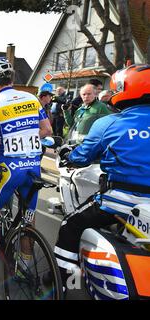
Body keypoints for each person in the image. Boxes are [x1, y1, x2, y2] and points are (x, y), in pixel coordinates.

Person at [54, 64, 150, 295]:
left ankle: (66, 283)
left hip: (120, 200)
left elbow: (81, 156)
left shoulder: (109, 123)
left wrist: (67, 154)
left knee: (69, 226)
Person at [0, 56, 52, 274]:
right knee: (29, 219)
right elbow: (47, 130)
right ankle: (25, 267)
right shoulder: (32, 98)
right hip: (33, 168)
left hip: (10, 171)